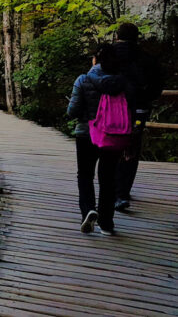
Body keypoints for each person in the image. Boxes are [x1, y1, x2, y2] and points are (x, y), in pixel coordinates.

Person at [67, 44, 132, 235]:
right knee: (108, 178)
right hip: (114, 136)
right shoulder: (123, 82)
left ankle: (88, 210)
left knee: (85, 175)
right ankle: (106, 224)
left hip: (87, 134)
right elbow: (131, 108)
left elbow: (73, 111)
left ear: (97, 60)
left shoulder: (84, 79)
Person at [112, 23, 165, 211]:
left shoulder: (108, 55)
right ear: (136, 37)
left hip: (112, 111)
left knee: (110, 146)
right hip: (138, 110)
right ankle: (122, 192)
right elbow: (158, 83)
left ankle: (110, 191)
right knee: (131, 148)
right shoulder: (146, 58)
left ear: (117, 36)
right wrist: (145, 98)